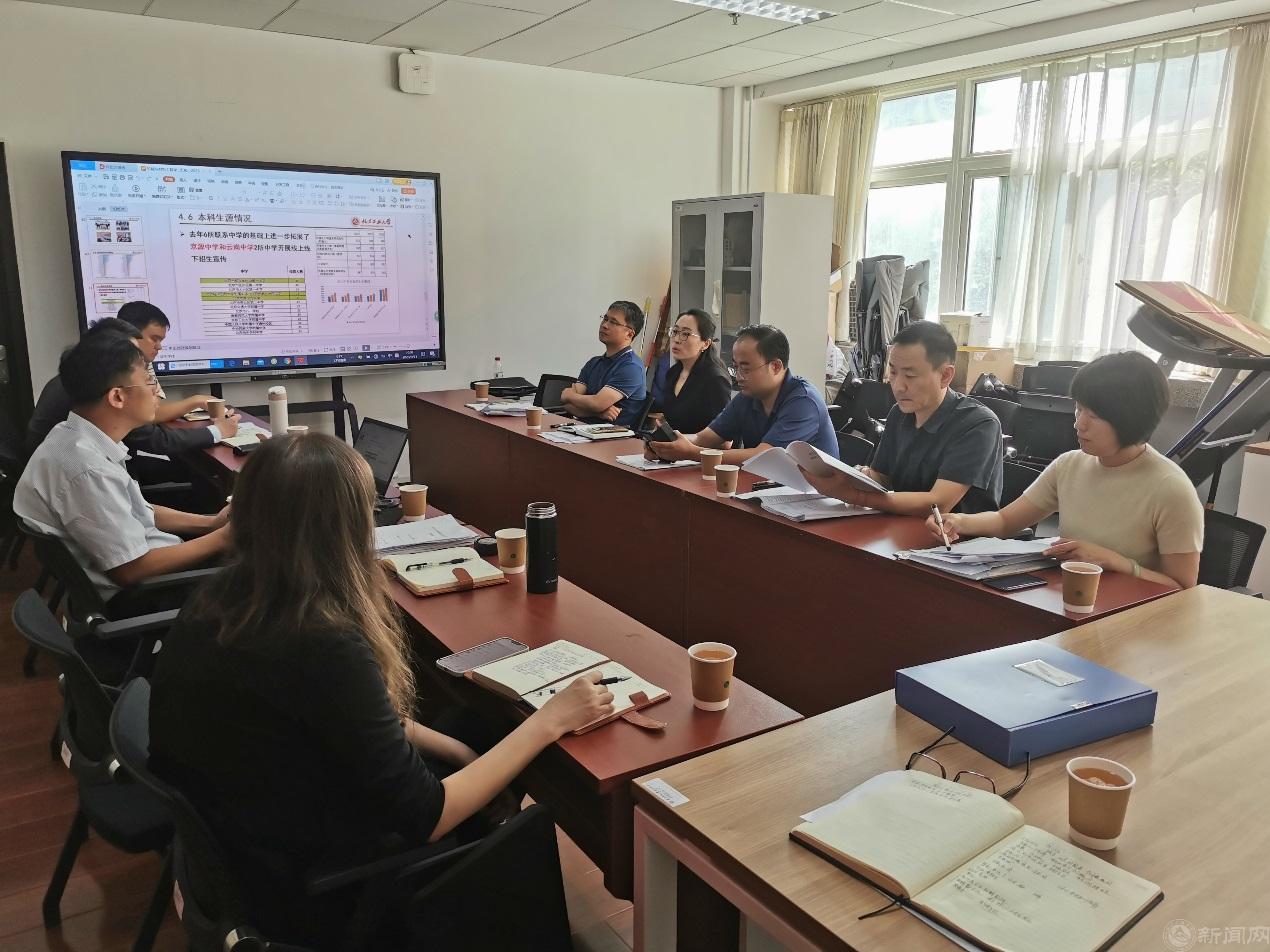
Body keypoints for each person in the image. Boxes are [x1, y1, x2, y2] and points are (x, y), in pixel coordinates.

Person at [149, 434, 614, 948]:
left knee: (471, 728)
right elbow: (427, 815)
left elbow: (348, 717)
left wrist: (461, 751)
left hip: (251, 826)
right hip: (311, 882)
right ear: (344, 527)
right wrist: (549, 721)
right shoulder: (319, 640)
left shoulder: (222, 596)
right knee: (525, 811)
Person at [925, 351, 1204, 589]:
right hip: (1074, 600)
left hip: (1135, 616)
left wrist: (1118, 563)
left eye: (1094, 416)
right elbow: (1004, 521)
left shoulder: (1170, 488)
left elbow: (1183, 587)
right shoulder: (1070, 465)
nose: (1079, 424)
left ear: (1131, 420)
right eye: (1079, 409)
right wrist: (958, 522)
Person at [14, 332, 231, 612]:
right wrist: (224, 538)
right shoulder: (86, 468)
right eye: (148, 381)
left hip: (156, 566)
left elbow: (137, 510)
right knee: (267, 573)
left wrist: (211, 524)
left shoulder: (73, 436)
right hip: (149, 592)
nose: (156, 391)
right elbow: (130, 569)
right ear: (117, 396)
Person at [803, 321, 1002, 515]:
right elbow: (881, 477)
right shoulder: (899, 414)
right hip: (900, 526)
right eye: (893, 372)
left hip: (955, 535)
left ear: (945, 376)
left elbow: (939, 504)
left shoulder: (978, 424)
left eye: (910, 376)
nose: (898, 386)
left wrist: (856, 496)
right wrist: (849, 476)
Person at [25, 317, 239, 458]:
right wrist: (217, 431)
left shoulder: (78, 380)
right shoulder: (101, 392)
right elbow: (156, 441)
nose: (153, 390)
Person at [647, 323, 838, 465]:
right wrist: (666, 444)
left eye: (745, 369)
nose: (738, 376)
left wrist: (692, 453)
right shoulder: (748, 397)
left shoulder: (803, 401)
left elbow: (764, 456)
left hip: (813, 496)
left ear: (775, 366)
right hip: (768, 489)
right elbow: (703, 438)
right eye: (735, 367)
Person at [118, 301, 226, 423]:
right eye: (154, 339)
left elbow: (156, 406)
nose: (159, 347)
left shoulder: (144, 361)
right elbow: (149, 413)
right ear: (130, 335)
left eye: (160, 340)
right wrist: (195, 401)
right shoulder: (116, 365)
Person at [559, 301, 648, 427]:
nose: (605, 325)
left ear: (629, 334)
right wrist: (597, 413)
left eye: (613, 322)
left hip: (614, 436)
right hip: (583, 429)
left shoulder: (631, 367)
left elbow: (597, 403)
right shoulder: (594, 362)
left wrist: (568, 395)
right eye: (605, 319)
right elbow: (568, 405)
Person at [654, 309, 732, 434]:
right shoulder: (673, 373)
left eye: (686, 334)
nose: (677, 339)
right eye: (675, 332)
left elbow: (725, 436)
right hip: (671, 445)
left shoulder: (715, 380)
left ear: (705, 344)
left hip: (701, 446)